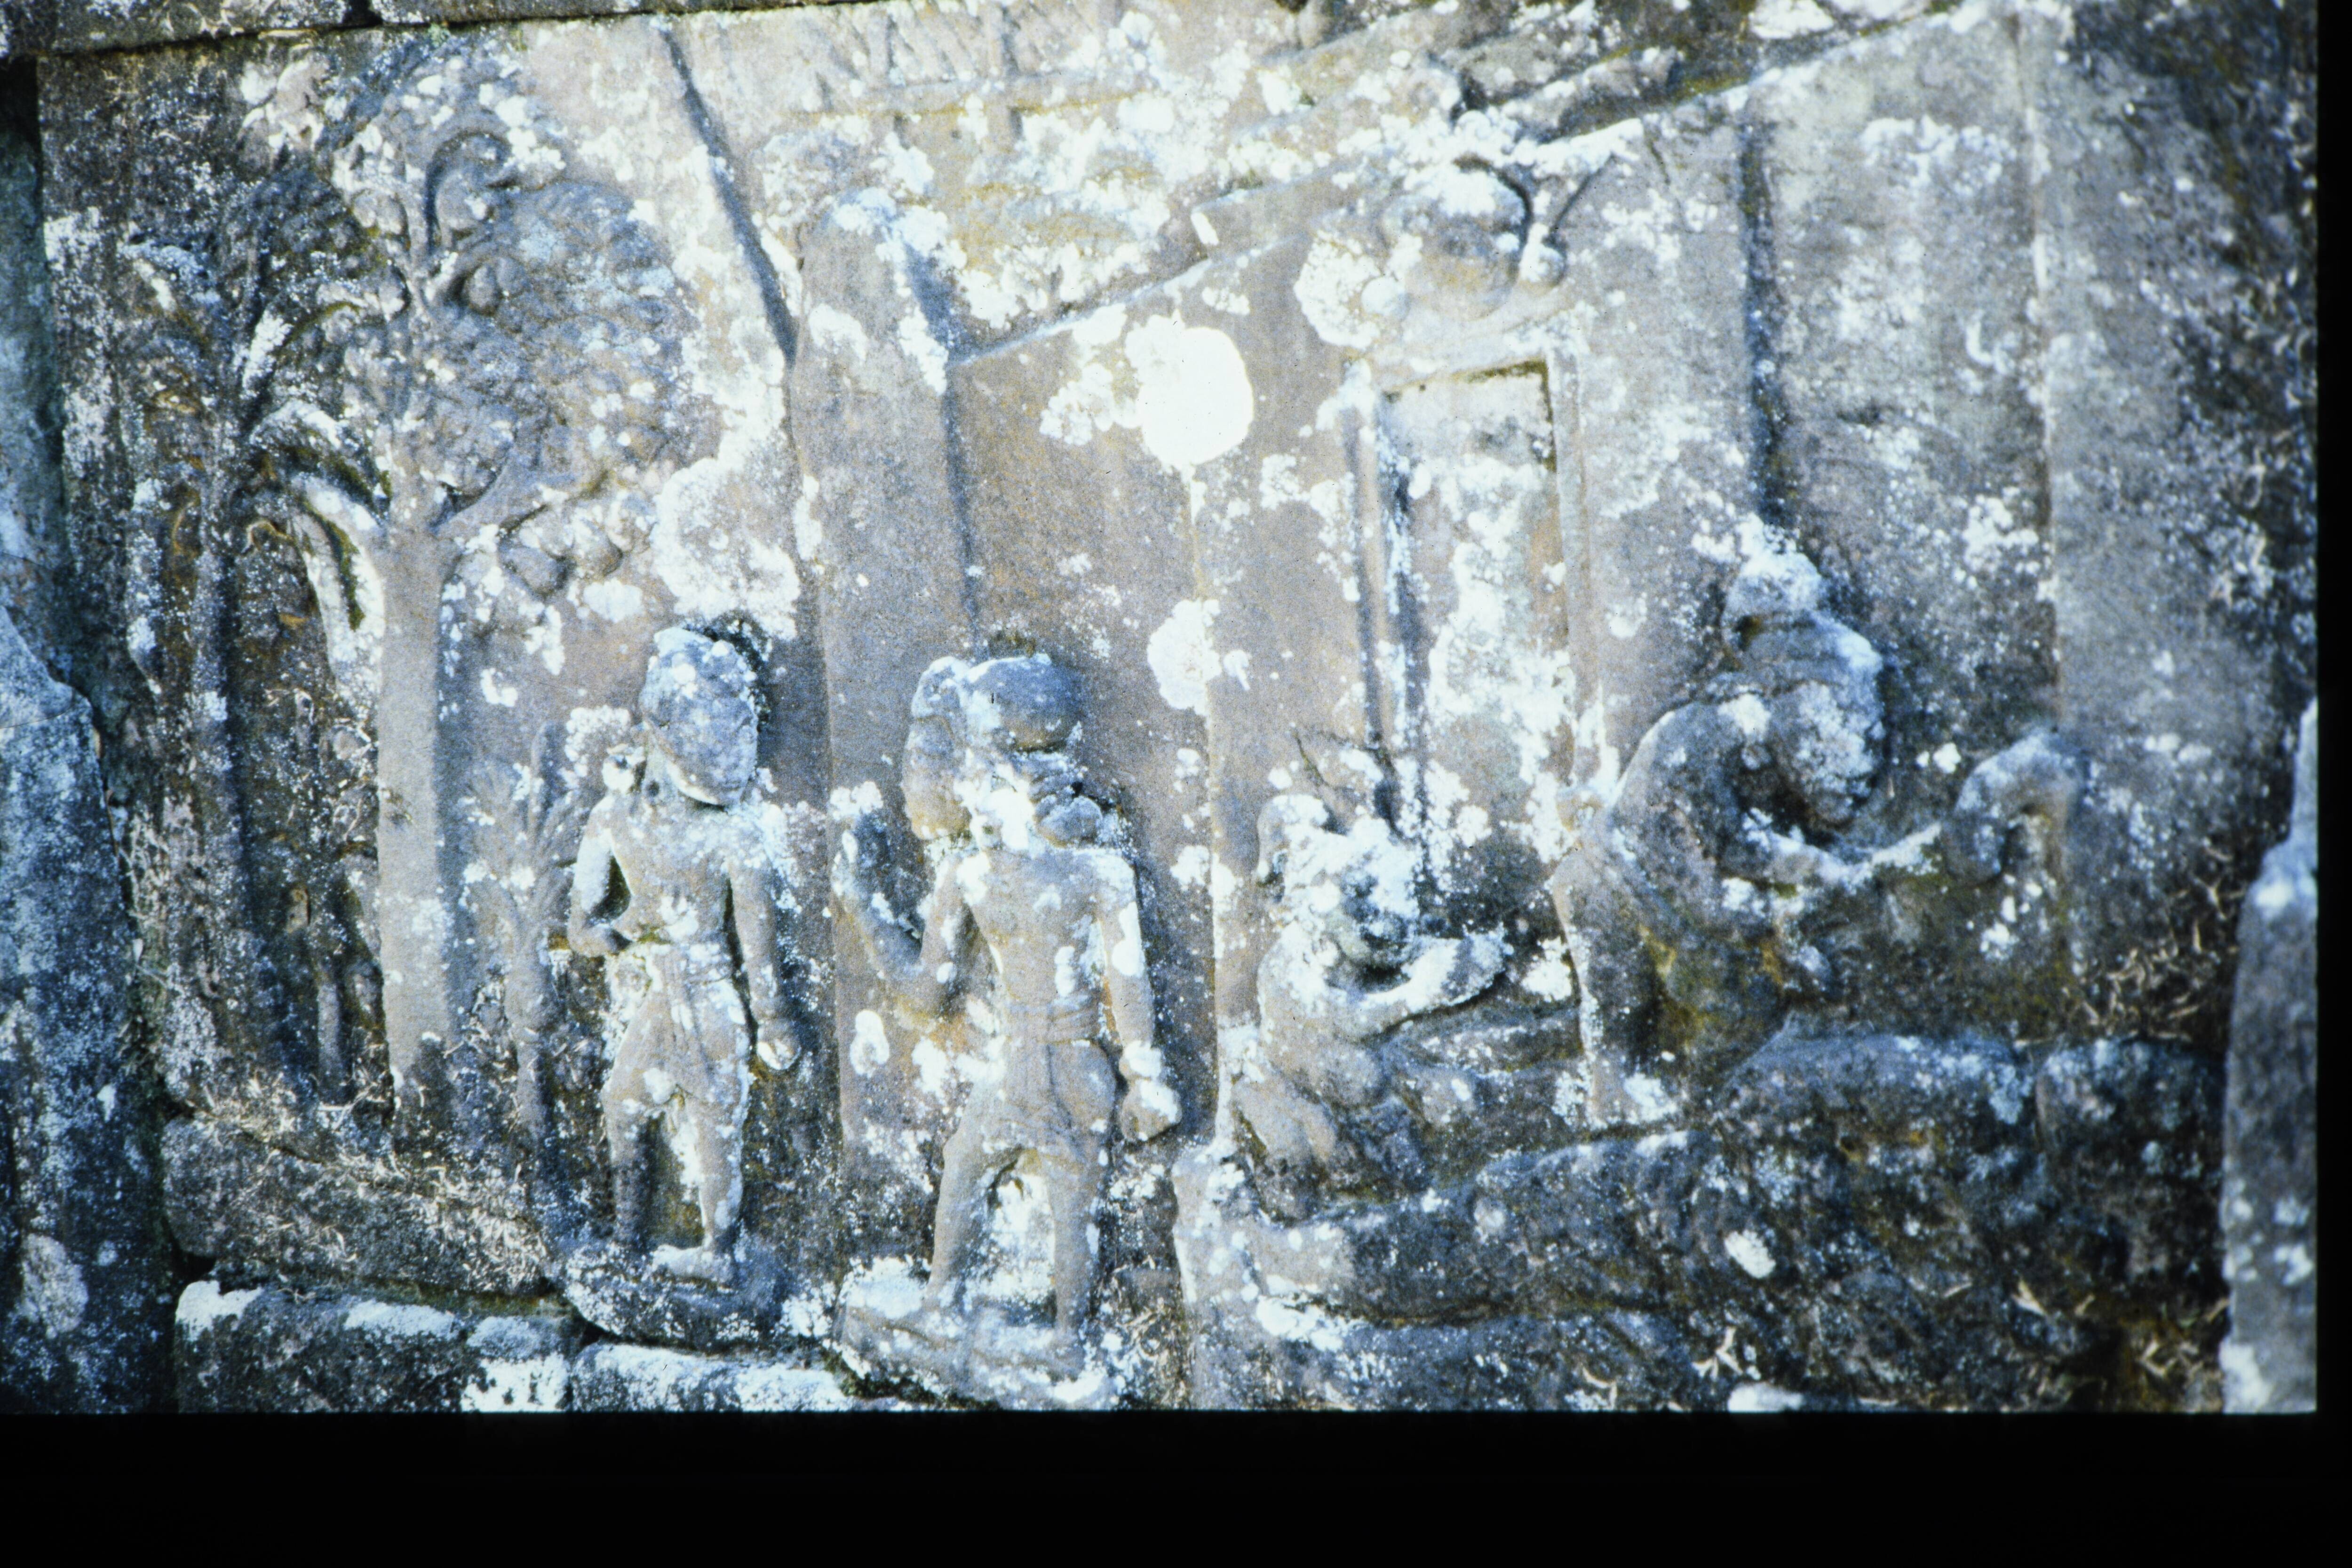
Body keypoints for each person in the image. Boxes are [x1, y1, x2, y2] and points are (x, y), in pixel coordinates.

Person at [835, 655, 1176, 1363]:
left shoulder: (1070, 872)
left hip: (1059, 1061)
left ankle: (1053, 1337)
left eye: (973, 772)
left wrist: (1145, 1078)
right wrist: (864, 904)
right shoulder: (987, 873)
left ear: (1012, 773)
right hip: (1040, 1061)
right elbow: (929, 992)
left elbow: (1126, 988)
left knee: (1056, 1198)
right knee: (987, 1173)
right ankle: (969, 1311)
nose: (962, 792)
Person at [1549, 545, 1887, 1123]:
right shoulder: (1708, 736)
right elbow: (1729, 847)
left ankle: (1679, 1102)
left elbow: (1756, 840)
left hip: (1656, 880)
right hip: (1612, 882)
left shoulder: (1753, 733)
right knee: (1631, 1006)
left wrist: (1812, 868)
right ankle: (1643, 1105)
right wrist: (1797, 887)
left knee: (1692, 990)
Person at [569, 628, 792, 1286]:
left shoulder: (733, 836)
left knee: (716, 1123)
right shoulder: (614, 819)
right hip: (661, 993)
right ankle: (626, 1239)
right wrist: (630, 925)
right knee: (622, 1105)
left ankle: (719, 1253)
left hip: (711, 993)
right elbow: (581, 930)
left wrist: (774, 1020)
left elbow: (758, 947)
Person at [1233, 793, 1504, 1216]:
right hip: (1316, 1088)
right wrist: (1416, 997)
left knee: (1451, 1099)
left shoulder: (1345, 930)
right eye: (1351, 893)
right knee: (1356, 1097)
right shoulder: (1285, 964)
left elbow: (1394, 951)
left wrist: (1458, 959)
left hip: (1367, 1080)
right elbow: (1347, 1018)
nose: (1363, 908)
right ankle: (1404, 1194)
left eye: (1360, 891)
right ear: (1312, 898)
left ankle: (1430, 1194)